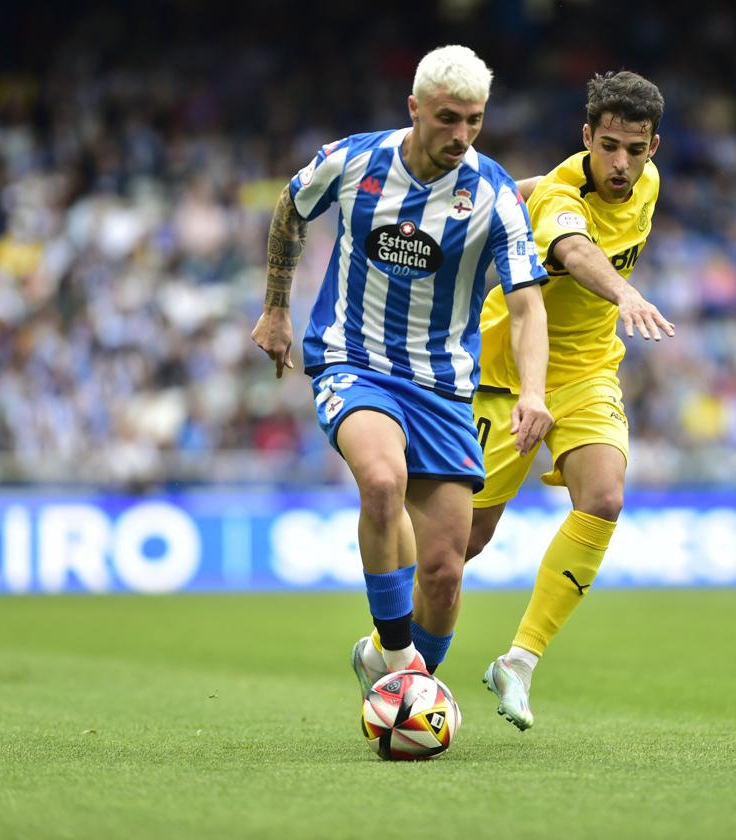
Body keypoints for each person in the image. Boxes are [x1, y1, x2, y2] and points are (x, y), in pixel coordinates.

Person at [251, 45, 553, 693]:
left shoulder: (492, 192)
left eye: (474, 120)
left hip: (443, 387)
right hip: (353, 362)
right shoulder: (354, 160)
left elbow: (527, 306)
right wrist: (276, 311)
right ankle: (396, 660)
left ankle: (399, 680)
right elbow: (289, 208)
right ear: (414, 108)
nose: (462, 134)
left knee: (444, 570)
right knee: (383, 482)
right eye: (448, 118)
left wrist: (532, 391)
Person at [469, 71, 674, 730]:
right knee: (464, 542)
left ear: (653, 148)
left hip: (585, 371)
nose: (620, 163)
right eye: (608, 145)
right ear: (586, 136)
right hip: (502, 375)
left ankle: (520, 662)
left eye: (634, 150)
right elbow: (573, 247)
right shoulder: (564, 194)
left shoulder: (648, 184)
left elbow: (523, 192)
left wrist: (501, 192)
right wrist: (626, 295)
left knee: (605, 496)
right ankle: (389, 645)